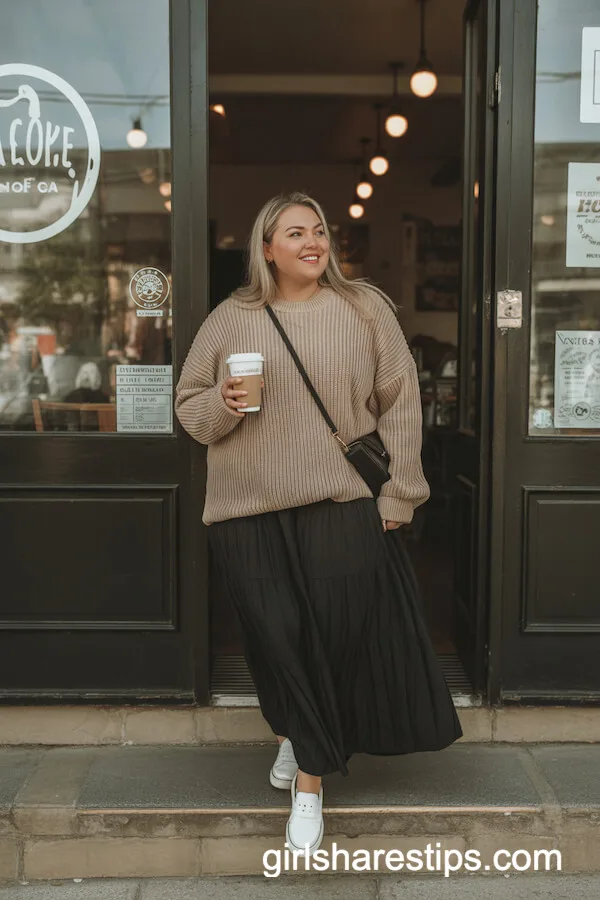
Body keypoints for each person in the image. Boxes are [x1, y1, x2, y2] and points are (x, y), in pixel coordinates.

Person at [175, 192, 463, 856]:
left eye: (320, 231)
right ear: (266, 248)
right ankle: (295, 732)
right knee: (275, 636)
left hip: (340, 501)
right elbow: (191, 408)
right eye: (295, 232)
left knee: (331, 638)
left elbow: (400, 404)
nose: (313, 241)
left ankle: (309, 784)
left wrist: (401, 495)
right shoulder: (231, 318)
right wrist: (223, 401)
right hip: (245, 507)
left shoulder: (365, 309)